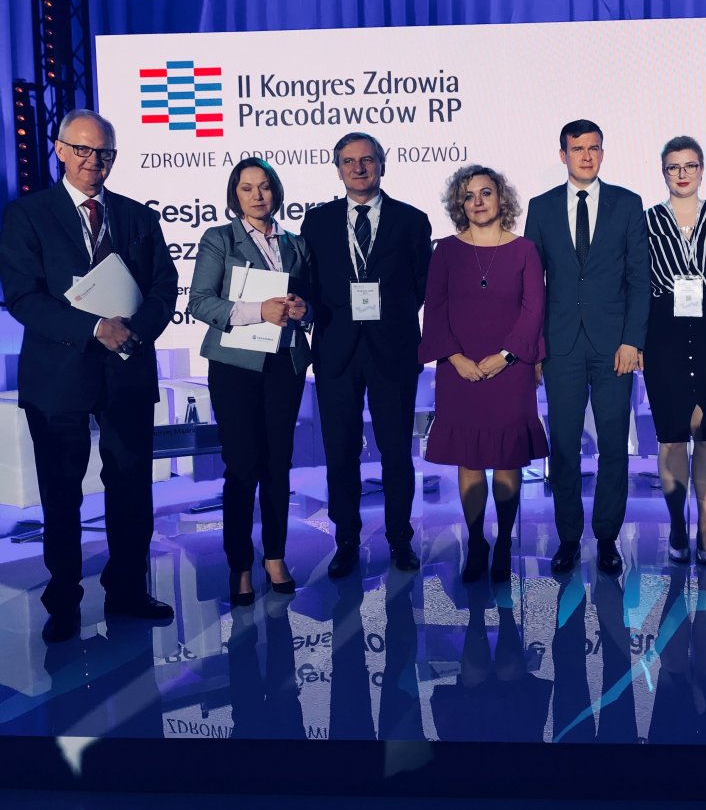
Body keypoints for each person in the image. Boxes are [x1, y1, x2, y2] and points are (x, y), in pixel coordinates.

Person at [0, 109, 178, 642]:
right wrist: (95, 327)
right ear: (59, 150)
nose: (93, 161)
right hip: (58, 375)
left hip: (128, 369)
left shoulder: (137, 216)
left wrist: (132, 332)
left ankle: (127, 589)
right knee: (61, 492)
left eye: (104, 153)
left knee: (131, 487)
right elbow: (23, 296)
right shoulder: (27, 215)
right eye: (82, 149)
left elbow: (164, 285)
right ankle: (64, 600)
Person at [300, 132, 433, 578]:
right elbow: (310, 285)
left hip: (393, 350)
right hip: (336, 349)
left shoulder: (412, 221)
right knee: (340, 452)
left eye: (367, 160)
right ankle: (346, 540)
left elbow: (421, 286)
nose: (358, 168)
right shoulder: (317, 222)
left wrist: (388, 314)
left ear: (382, 164)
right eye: (349, 161)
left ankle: (400, 538)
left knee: (396, 450)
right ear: (338, 168)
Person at [523, 119, 649, 576]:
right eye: (577, 149)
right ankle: (568, 538)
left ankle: (608, 538)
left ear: (602, 152)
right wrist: (534, 347)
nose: (587, 156)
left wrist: (633, 340)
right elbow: (531, 284)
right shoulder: (541, 207)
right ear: (563, 155)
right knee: (563, 447)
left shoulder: (627, 204)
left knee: (614, 445)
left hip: (615, 346)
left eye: (594, 148)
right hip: (560, 347)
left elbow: (640, 278)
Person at [188, 158, 313, 605]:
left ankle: (275, 556)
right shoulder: (219, 239)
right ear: (235, 194)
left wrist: (304, 310)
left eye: (264, 187)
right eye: (247, 188)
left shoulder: (296, 243)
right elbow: (200, 302)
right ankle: (239, 565)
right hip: (235, 366)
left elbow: (311, 301)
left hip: (284, 364)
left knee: (278, 464)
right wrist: (257, 311)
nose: (257, 196)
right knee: (242, 466)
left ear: (276, 191)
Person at [418, 165, 548, 582]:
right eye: (469, 195)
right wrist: (455, 358)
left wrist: (506, 356)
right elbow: (435, 309)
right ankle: (476, 542)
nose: (477, 201)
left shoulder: (524, 250)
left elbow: (534, 309)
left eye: (486, 192)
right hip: (460, 370)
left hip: (511, 369)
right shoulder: (445, 251)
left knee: (508, 457)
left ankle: (504, 542)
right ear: (460, 204)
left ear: (501, 198)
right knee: (469, 458)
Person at [641, 136, 706, 564]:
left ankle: (704, 526)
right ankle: (676, 524)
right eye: (674, 167)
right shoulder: (647, 220)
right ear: (663, 172)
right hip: (662, 334)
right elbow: (637, 283)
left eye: (690, 166)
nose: (682, 174)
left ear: (702, 169)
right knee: (670, 438)